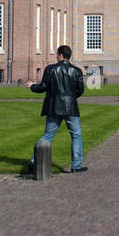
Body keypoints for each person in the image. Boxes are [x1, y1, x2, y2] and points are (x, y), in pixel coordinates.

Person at [29, 45, 87, 174]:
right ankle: (76, 166)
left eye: (57, 54)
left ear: (60, 55)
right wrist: (70, 97)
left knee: (48, 135)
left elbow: (43, 87)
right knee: (76, 136)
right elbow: (80, 90)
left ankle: (34, 161)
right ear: (69, 56)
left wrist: (32, 86)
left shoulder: (50, 69)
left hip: (54, 107)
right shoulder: (76, 71)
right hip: (71, 107)